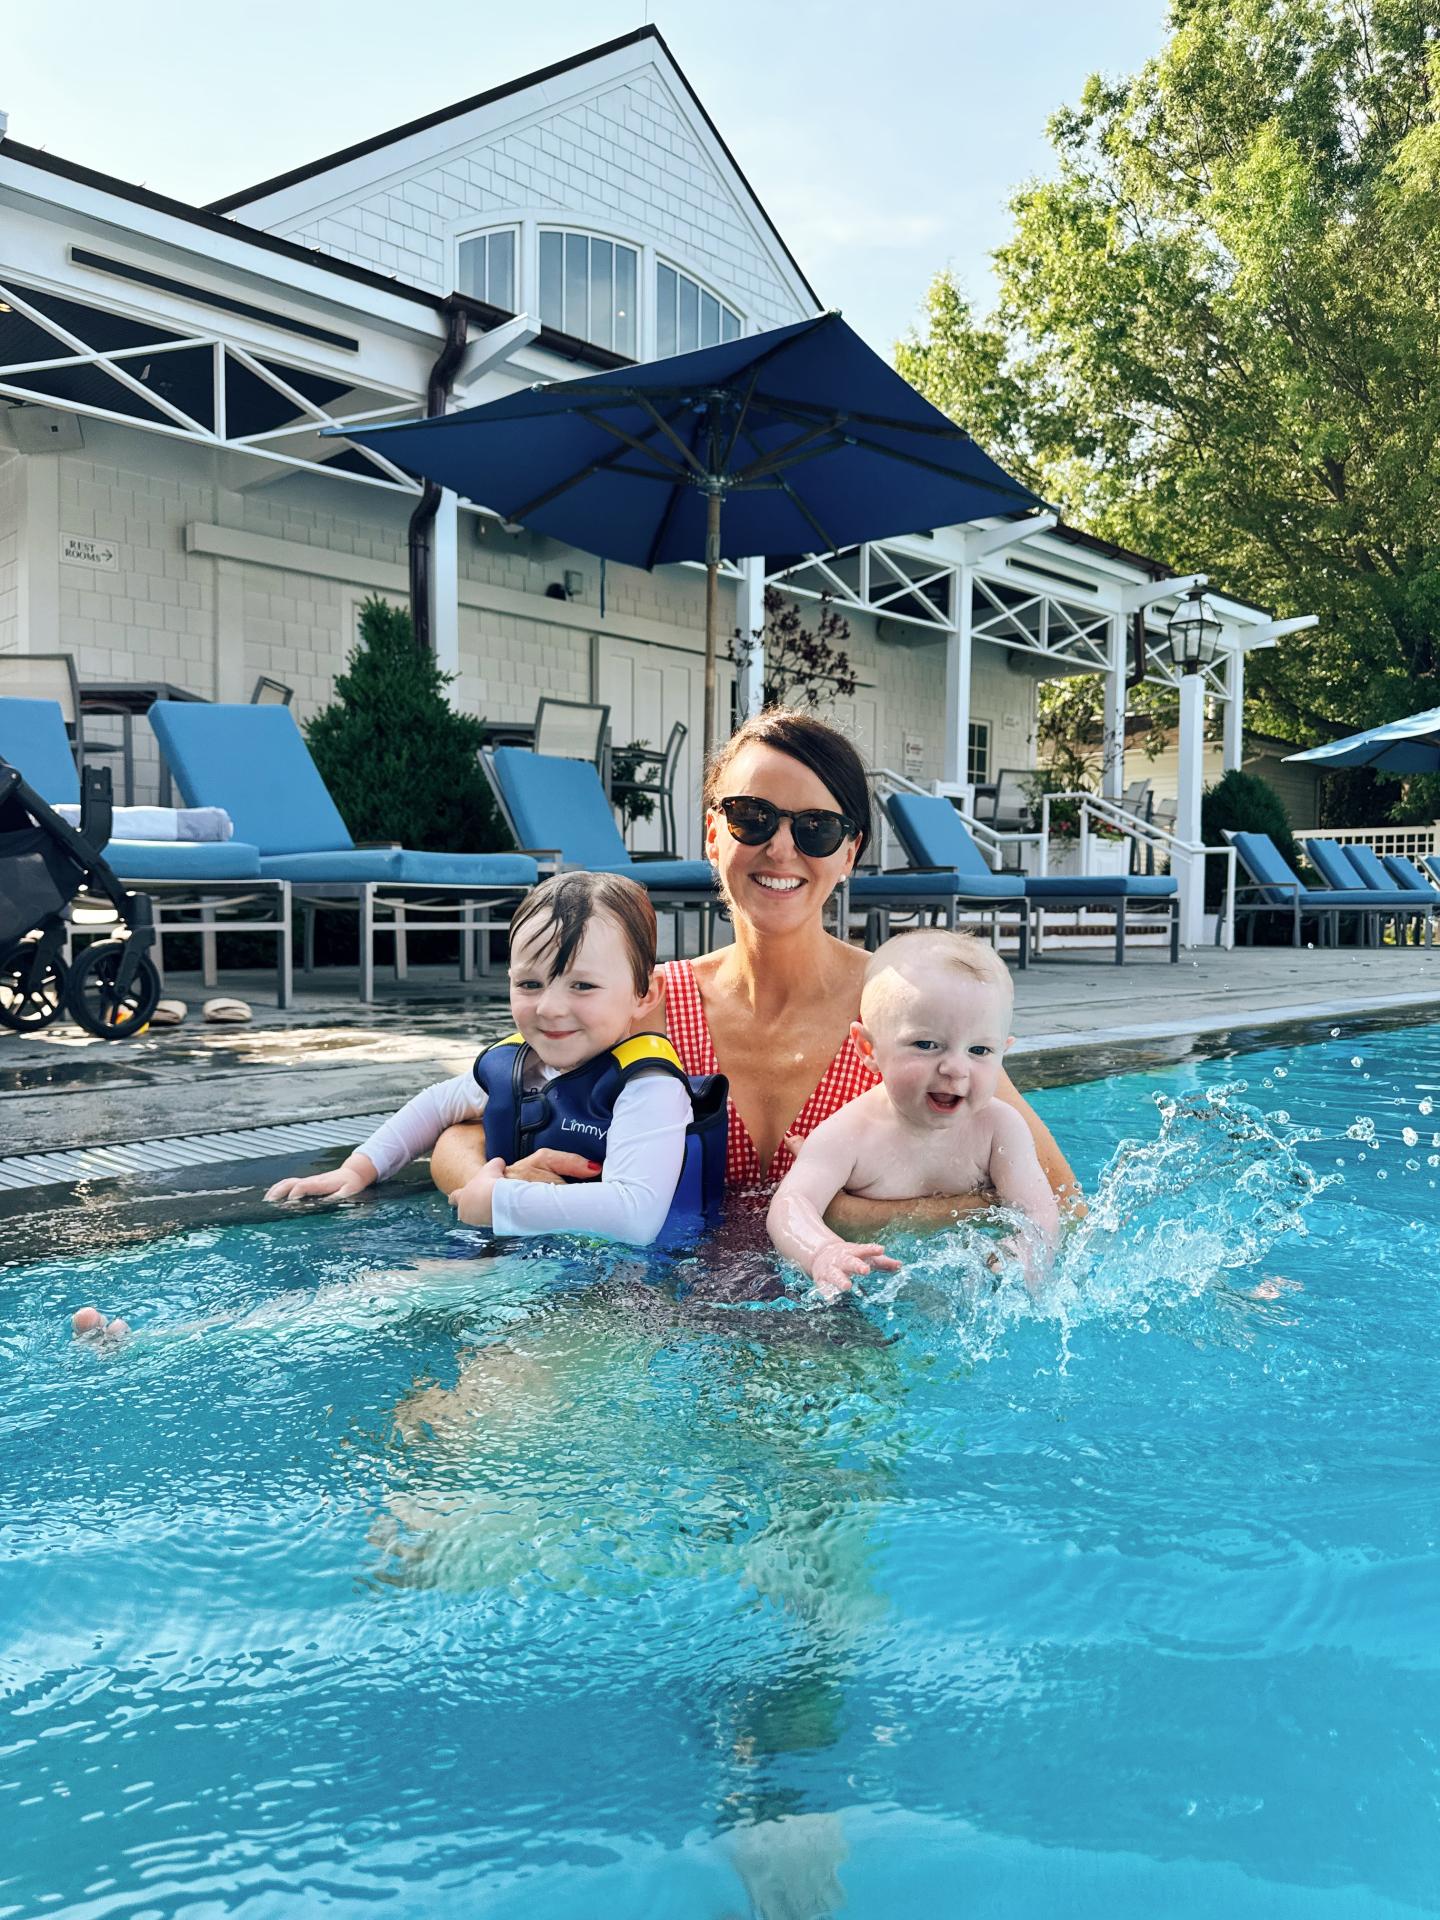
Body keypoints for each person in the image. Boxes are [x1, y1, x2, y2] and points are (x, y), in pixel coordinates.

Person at [428, 708, 1078, 1228]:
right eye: (751, 817)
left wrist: (862, 1217)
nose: (781, 847)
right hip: (663, 1315)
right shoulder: (649, 1004)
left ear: (849, 853)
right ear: (714, 835)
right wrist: (498, 1184)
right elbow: (459, 1130)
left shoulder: (902, 1006)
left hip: (847, 1311)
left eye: (817, 827)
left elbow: (1060, 1199)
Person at [71, 872, 724, 1340]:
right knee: (373, 1297)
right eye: (530, 983)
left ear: (643, 996)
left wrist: (496, 1203)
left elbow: (637, 1217)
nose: (551, 1007)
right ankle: (176, 1337)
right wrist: (358, 1169)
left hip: (624, 1287)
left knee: (397, 1301)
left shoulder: (647, 1088)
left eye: (582, 985)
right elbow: (437, 1105)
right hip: (530, 1256)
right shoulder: (519, 1064)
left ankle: (173, 1342)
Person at [767, 928, 1060, 1298]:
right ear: (868, 1048)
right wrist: (823, 1250)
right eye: (926, 1044)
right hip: (869, 1294)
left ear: (1005, 1050)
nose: (956, 1068)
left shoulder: (999, 1128)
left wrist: (1023, 1254)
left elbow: (1041, 1212)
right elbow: (792, 1204)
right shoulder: (850, 1134)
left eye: (980, 1051)